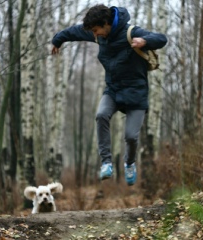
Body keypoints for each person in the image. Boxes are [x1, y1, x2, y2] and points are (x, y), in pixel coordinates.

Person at [52, 4, 167, 185]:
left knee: (131, 136)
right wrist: (58, 40)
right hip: (113, 90)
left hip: (136, 92)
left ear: (106, 23)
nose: (95, 35)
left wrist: (144, 42)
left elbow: (161, 38)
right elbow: (74, 32)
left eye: (97, 30)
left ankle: (129, 163)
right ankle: (106, 163)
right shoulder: (98, 34)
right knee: (101, 115)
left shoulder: (131, 32)